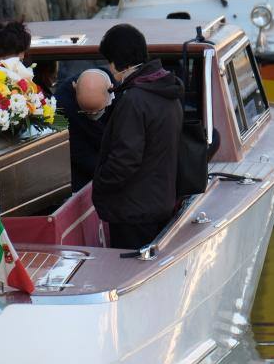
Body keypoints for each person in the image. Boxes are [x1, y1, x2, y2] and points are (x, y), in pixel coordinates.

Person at [93, 24, 183, 250]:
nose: (110, 69)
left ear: (118, 61)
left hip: (133, 212)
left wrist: (100, 184)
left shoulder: (134, 100)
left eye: (109, 62)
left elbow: (124, 159)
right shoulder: (167, 91)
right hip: (159, 203)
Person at [54, 68, 114, 192]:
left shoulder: (121, 95)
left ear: (110, 90)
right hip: (82, 172)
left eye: (98, 111)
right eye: (86, 112)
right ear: (74, 88)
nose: (93, 115)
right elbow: (74, 148)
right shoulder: (61, 104)